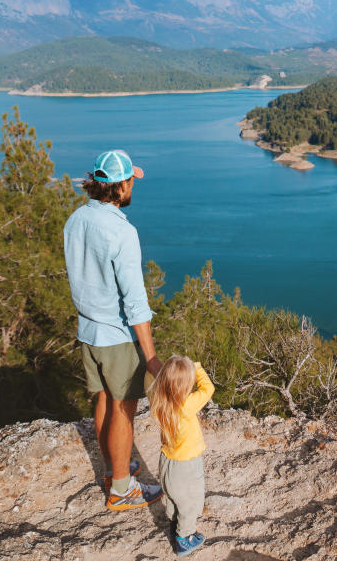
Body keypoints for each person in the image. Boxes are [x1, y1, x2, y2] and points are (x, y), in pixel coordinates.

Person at [63, 149, 164, 510]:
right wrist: (151, 358)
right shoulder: (121, 230)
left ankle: (112, 468)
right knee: (123, 408)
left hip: (88, 331)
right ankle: (122, 489)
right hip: (117, 336)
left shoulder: (75, 220)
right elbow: (135, 301)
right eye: (131, 180)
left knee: (104, 399)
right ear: (120, 187)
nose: (133, 185)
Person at [148, 355, 215, 556]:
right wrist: (196, 368)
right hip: (186, 465)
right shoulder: (185, 405)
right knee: (190, 502)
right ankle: (184, 539)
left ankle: (174, 523)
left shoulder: (159, 401)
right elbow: (208, 389)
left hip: (168, 461)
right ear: (186, 385)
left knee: (173, 496)